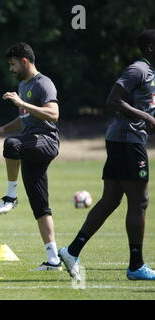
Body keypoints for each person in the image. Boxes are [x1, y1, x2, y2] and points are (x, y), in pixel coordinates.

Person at [59, 30, 155, 281]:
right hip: (126, 141)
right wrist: (145, 117)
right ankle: (136, 265)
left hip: (122, 140)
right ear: (150, 48)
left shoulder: (150, 73)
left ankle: (72, 251)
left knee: (111, 200)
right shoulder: (138, 70)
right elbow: (113, 99)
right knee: (140, 201)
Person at [0, 42, 61, 271]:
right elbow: (24, 119)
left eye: (12, 64)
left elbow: (53, 114)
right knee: (40, 206)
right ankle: (53, 260)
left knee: (12, 145)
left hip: (46, 142)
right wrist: (3, 129)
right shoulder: (23, 85)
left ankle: (10, 196)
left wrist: (21, 103)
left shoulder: (44, 83)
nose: (10, 69)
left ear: (24, 61)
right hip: (31, 144)